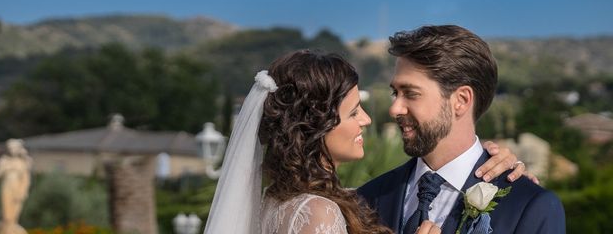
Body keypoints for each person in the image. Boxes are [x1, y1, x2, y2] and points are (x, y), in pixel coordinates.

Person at [203, 49, 528, 234]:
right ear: (317, 126)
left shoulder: (274, 201)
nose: (368, 119)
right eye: (354, 111)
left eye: (410, 93)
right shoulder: (317, 212)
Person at [358, 25, 565, 234]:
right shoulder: (367, 199)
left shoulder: (528, 207)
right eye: (395, 93)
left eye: (411, 93)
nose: (394, 109)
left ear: (461, 100)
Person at [0, 138, 32, 228]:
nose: (12, 150)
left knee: (15, 212)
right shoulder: (4, 160)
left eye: (15, 147)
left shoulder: (22, 162)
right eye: (11, 148)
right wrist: (8, 168)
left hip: (18, 188)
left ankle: (12, 227)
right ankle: (6, 227)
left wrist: (23, 191)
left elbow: (26, 179)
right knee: (6, 210)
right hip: (7, 186)